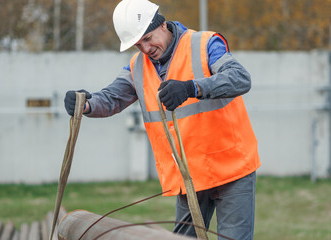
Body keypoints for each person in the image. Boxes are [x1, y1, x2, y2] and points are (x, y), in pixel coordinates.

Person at [64, 0, 261, 239]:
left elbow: (240, 78)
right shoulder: (138, 67)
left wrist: (192, 88)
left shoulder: (204, 44)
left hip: (231, 170)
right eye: (138, 44)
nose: (145, 49)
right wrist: (86, 104)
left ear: (163, 25)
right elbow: (111, 98)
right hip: (188, 177)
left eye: (147, 39)